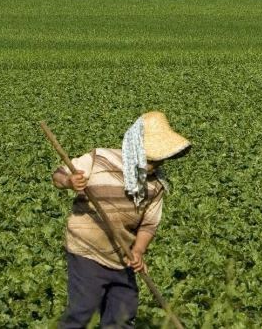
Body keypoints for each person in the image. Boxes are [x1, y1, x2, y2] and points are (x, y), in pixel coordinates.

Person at [51, 111, 190, 328]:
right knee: (83, 308)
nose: (154, 164)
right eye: (150, 157)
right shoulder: (99, 159)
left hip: (122, 254)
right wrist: (70, 181)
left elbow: (148, 224)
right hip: (86, 248)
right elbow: (58, 175)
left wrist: (138, 251)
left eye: (158, 158)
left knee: (123, 311)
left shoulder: (156, 185)